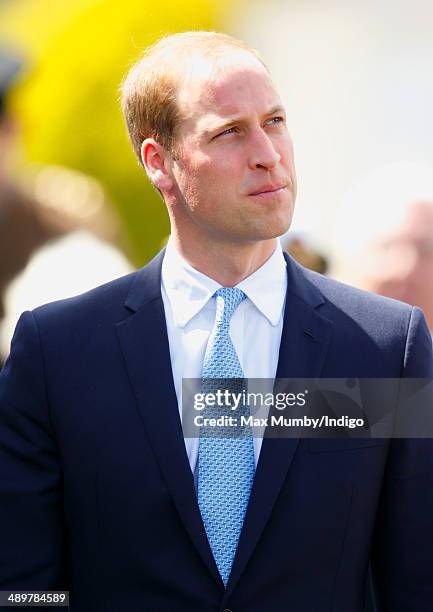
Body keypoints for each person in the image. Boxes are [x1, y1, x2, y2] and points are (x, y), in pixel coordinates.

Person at [0, 31, 432, 612]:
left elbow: (415, 584)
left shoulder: (387, 347)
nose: (268, 153)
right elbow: (25, 589)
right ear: (160, 163)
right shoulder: (57, 352)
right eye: (229, 132)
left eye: (275, 121)